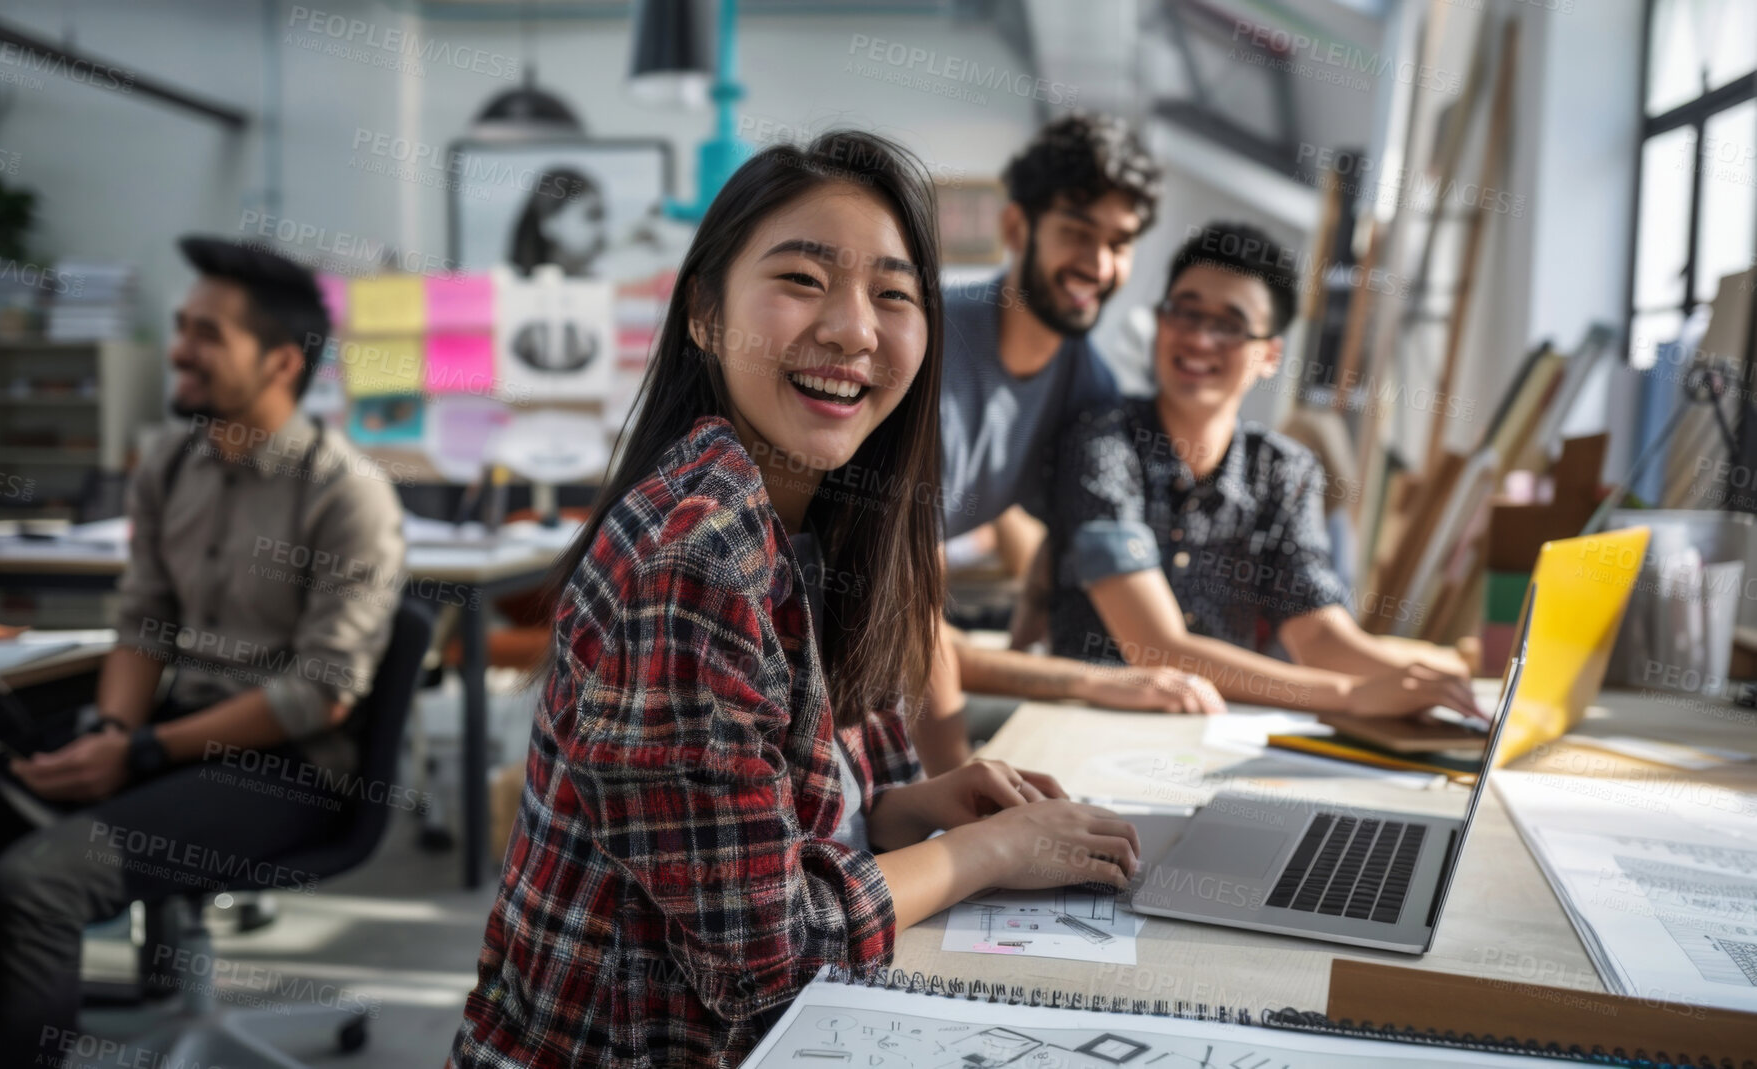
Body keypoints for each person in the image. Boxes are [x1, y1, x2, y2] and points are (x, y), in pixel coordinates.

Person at [447, 131, 1141, 1069]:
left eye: (894, 294)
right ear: (703, 313)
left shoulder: (829, 525)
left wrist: (915, 804)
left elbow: (785, 822)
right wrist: (995, 850)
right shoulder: (694, 557)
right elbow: (773, 955)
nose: (854, 329)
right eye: (805, 281)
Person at [0, 237, 406, 1068]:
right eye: (181, 326)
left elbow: (321, 693)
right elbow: (144, 625)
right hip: (165, 734)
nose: (178, 350)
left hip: (290, 768)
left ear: (278, 362)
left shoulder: (347, 492)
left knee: (40, 881)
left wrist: (136, 750)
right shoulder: (171, 463)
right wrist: (108, 730)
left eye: (206, 334)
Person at [1040, 221, 1479, 719]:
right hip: (1088, 727)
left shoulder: (1284, 471)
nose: (1200, 339)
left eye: (1229, 324)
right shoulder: (1103, 440)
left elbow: (1316, 633)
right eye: (1184, 312)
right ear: (1160, 322)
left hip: (1218, 732)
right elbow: (1154, 646)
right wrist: (1351, 695)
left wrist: (1421, 683)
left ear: (1269, 355)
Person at [917, 113, 1223, 776]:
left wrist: (1032, 627)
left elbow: (1061, 531)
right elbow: (904, 621)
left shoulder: (1087, 382)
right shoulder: (926, 350)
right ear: (1015, 228)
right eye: (1077, 232)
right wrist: (957, 793)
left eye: (1120, 241)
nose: (1098, 263)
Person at [508, 167, 606, 277]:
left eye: (602, 216)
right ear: (550, 224)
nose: (601, 228)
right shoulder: (508, 284)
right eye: (592, 215)